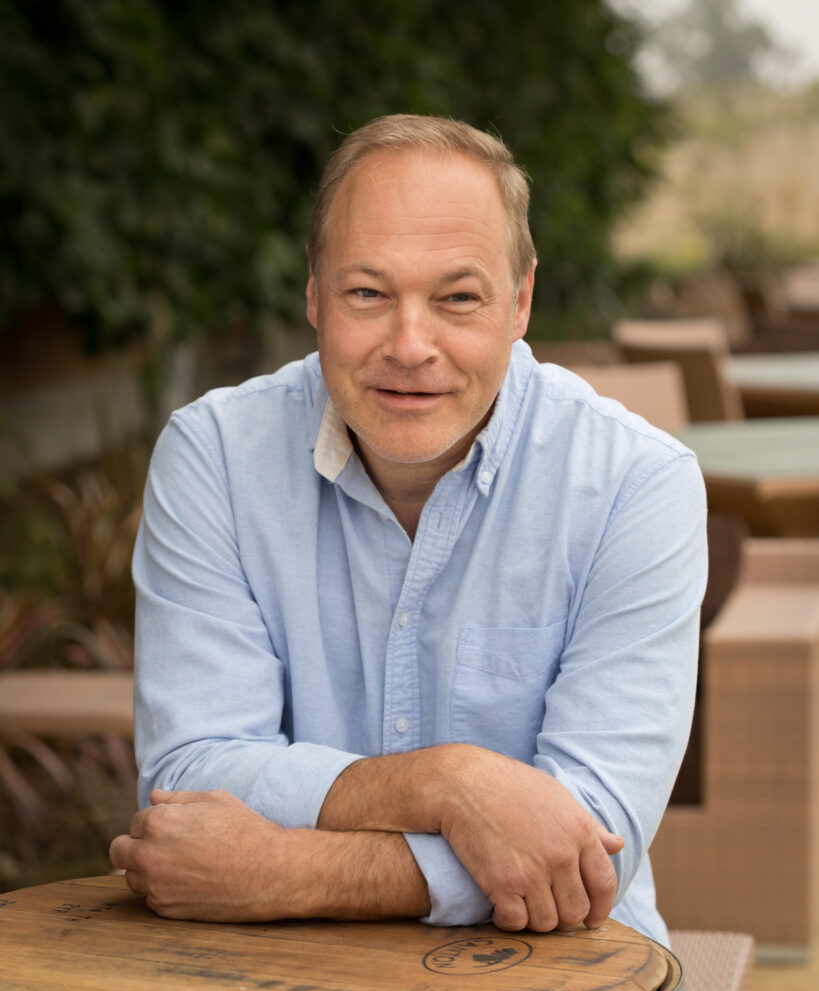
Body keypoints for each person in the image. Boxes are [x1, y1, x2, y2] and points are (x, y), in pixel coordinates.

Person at [109, 114, 707, 945]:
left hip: (566, 975)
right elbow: (191, 771)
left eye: (458, 297)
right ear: (314, 293)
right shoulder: (214, 456)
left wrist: (286, 871)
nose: (410, 345)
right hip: (276, 977)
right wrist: (448, 784)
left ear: (520, 300)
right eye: (367, 293)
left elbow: (591, 844)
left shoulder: (635, 484)